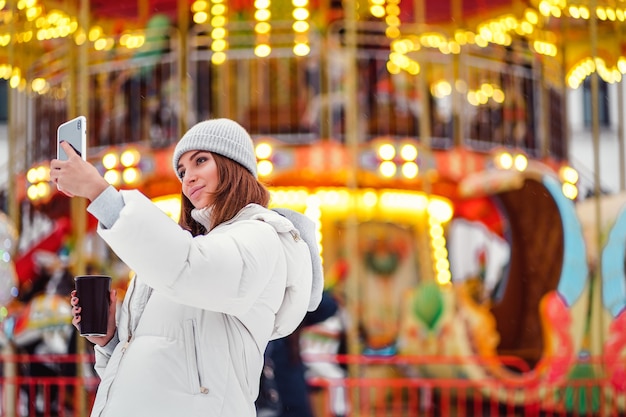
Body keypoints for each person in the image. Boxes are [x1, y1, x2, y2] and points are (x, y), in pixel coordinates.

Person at [50, 118, 324, 417]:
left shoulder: (260, 235)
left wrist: (100, 194)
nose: (188, 177)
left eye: (200, 161)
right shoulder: (188, 252)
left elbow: (194, 269)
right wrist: (111, 338)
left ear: (233, 165)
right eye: (181, 171)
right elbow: (153, 362)